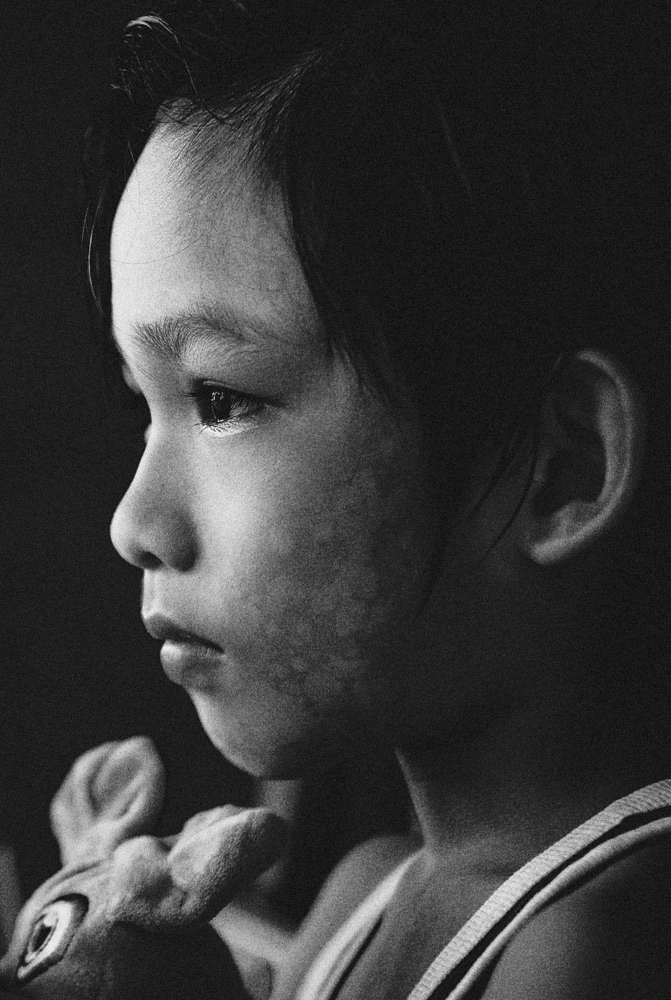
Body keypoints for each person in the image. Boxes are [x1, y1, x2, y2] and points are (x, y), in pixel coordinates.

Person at [71, 0, 671, 996]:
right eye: (146, 406)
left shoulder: (594, 947)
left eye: (219, 399)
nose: (134, 523)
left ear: (557, 467)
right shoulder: (362, 897)